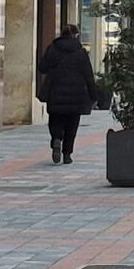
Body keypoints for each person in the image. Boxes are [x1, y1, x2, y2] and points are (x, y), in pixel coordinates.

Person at [33, 24, 97, 165]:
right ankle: (67, 154)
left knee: (55, 119)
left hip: (55, 92)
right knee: (72, 124)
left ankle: (56, 138)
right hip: (76, 94)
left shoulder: (53, 49)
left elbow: (42, 67)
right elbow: (89, 76)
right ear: (75, 35)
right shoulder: (81, 52)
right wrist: (94, 95)